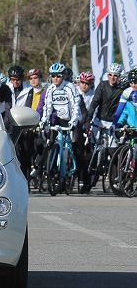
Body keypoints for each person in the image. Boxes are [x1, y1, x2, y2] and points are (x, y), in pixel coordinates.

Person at [39, 62, 85, 192]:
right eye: (53, 76)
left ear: (63, 76)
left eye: (58, 76)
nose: (55, 79)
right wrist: (44, 120)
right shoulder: (50, 89)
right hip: (59, 120)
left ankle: (81, 177)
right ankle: (54, 170)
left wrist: (74, 121)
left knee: (76, 146)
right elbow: (47, 108)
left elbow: (76, 105)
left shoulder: (70, 87)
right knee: (52, 142)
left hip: (73, 119)